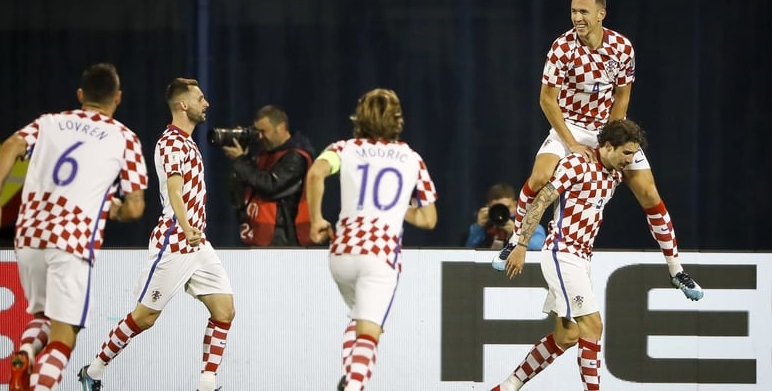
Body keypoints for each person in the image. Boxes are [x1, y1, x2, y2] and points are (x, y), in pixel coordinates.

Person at [494, 0, 703, 300]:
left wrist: (610, 141)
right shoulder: (561, 48)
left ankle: (676, 270)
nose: (577, 18)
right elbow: (547, 101)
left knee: (649, 193)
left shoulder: (622, 47)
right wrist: (573, 145)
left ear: (601, 14)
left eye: (583, 12)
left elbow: (623, 96)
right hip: (569, 127)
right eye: (574, 12)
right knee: (539, 178)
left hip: (607, 129)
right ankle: (515, 238)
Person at [0, 63, 148, 391]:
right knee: (65, 335)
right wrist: (112, 209)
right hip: (71, 240)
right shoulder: (125, 138)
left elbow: (12, 145)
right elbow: (136, 207)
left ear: (81, 95)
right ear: (118, 98)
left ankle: (26, 353)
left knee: (43, 317)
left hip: (29, 236)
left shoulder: (50, 122)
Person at [78, 78, 235, 391]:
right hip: (176, 239)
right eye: (200, 98)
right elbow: (174, 190)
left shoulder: (188, 142)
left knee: (225, 310)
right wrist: (187, 225)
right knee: (145, 317)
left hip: (196, 242)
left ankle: (207, 384)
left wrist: (194, 230)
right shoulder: (171, 142)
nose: (206, 104)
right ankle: (93, 370)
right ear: (183, 105)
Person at [492, 119, 647, 391]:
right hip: (562, 252)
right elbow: (541, 200)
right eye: (626, 153)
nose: (630, 160)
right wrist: (521, 244)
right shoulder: (577, 164)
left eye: (633, 155)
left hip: (581, 258)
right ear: (608, 146)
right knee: (593, 326)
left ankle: (507, 387)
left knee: (567, 335)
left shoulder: (613, 176)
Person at [306, 88, 438, 391]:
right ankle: (354, 385)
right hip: (380, 254)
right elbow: (429, 219)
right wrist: (395, 207)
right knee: (370, 331)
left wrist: (316, 220)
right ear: (397, 120)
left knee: (357, 315)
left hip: (341, 251)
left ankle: (348, 376)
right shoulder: (411, 158)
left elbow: (315, 174)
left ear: (359, 117)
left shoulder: (343, 148)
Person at [220, 105, 316, 246]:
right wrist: (242, 160)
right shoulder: (262, 155)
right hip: (256, 233)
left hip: (283, 239)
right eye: (257, 131)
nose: (260, 137)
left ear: (281, 127)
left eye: (264, 131)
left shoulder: (296, 157)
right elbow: (237, 197)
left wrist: (240, 161)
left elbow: (271, 186)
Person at [465, 182, 546, 251]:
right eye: (497, 208)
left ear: (515, 205)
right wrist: (478, 228)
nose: (501, 213)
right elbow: (467, 253)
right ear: (488, 207)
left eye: (506, 208)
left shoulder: (529, 226)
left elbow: (538, 248)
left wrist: (516, 233)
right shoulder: (480, 228)